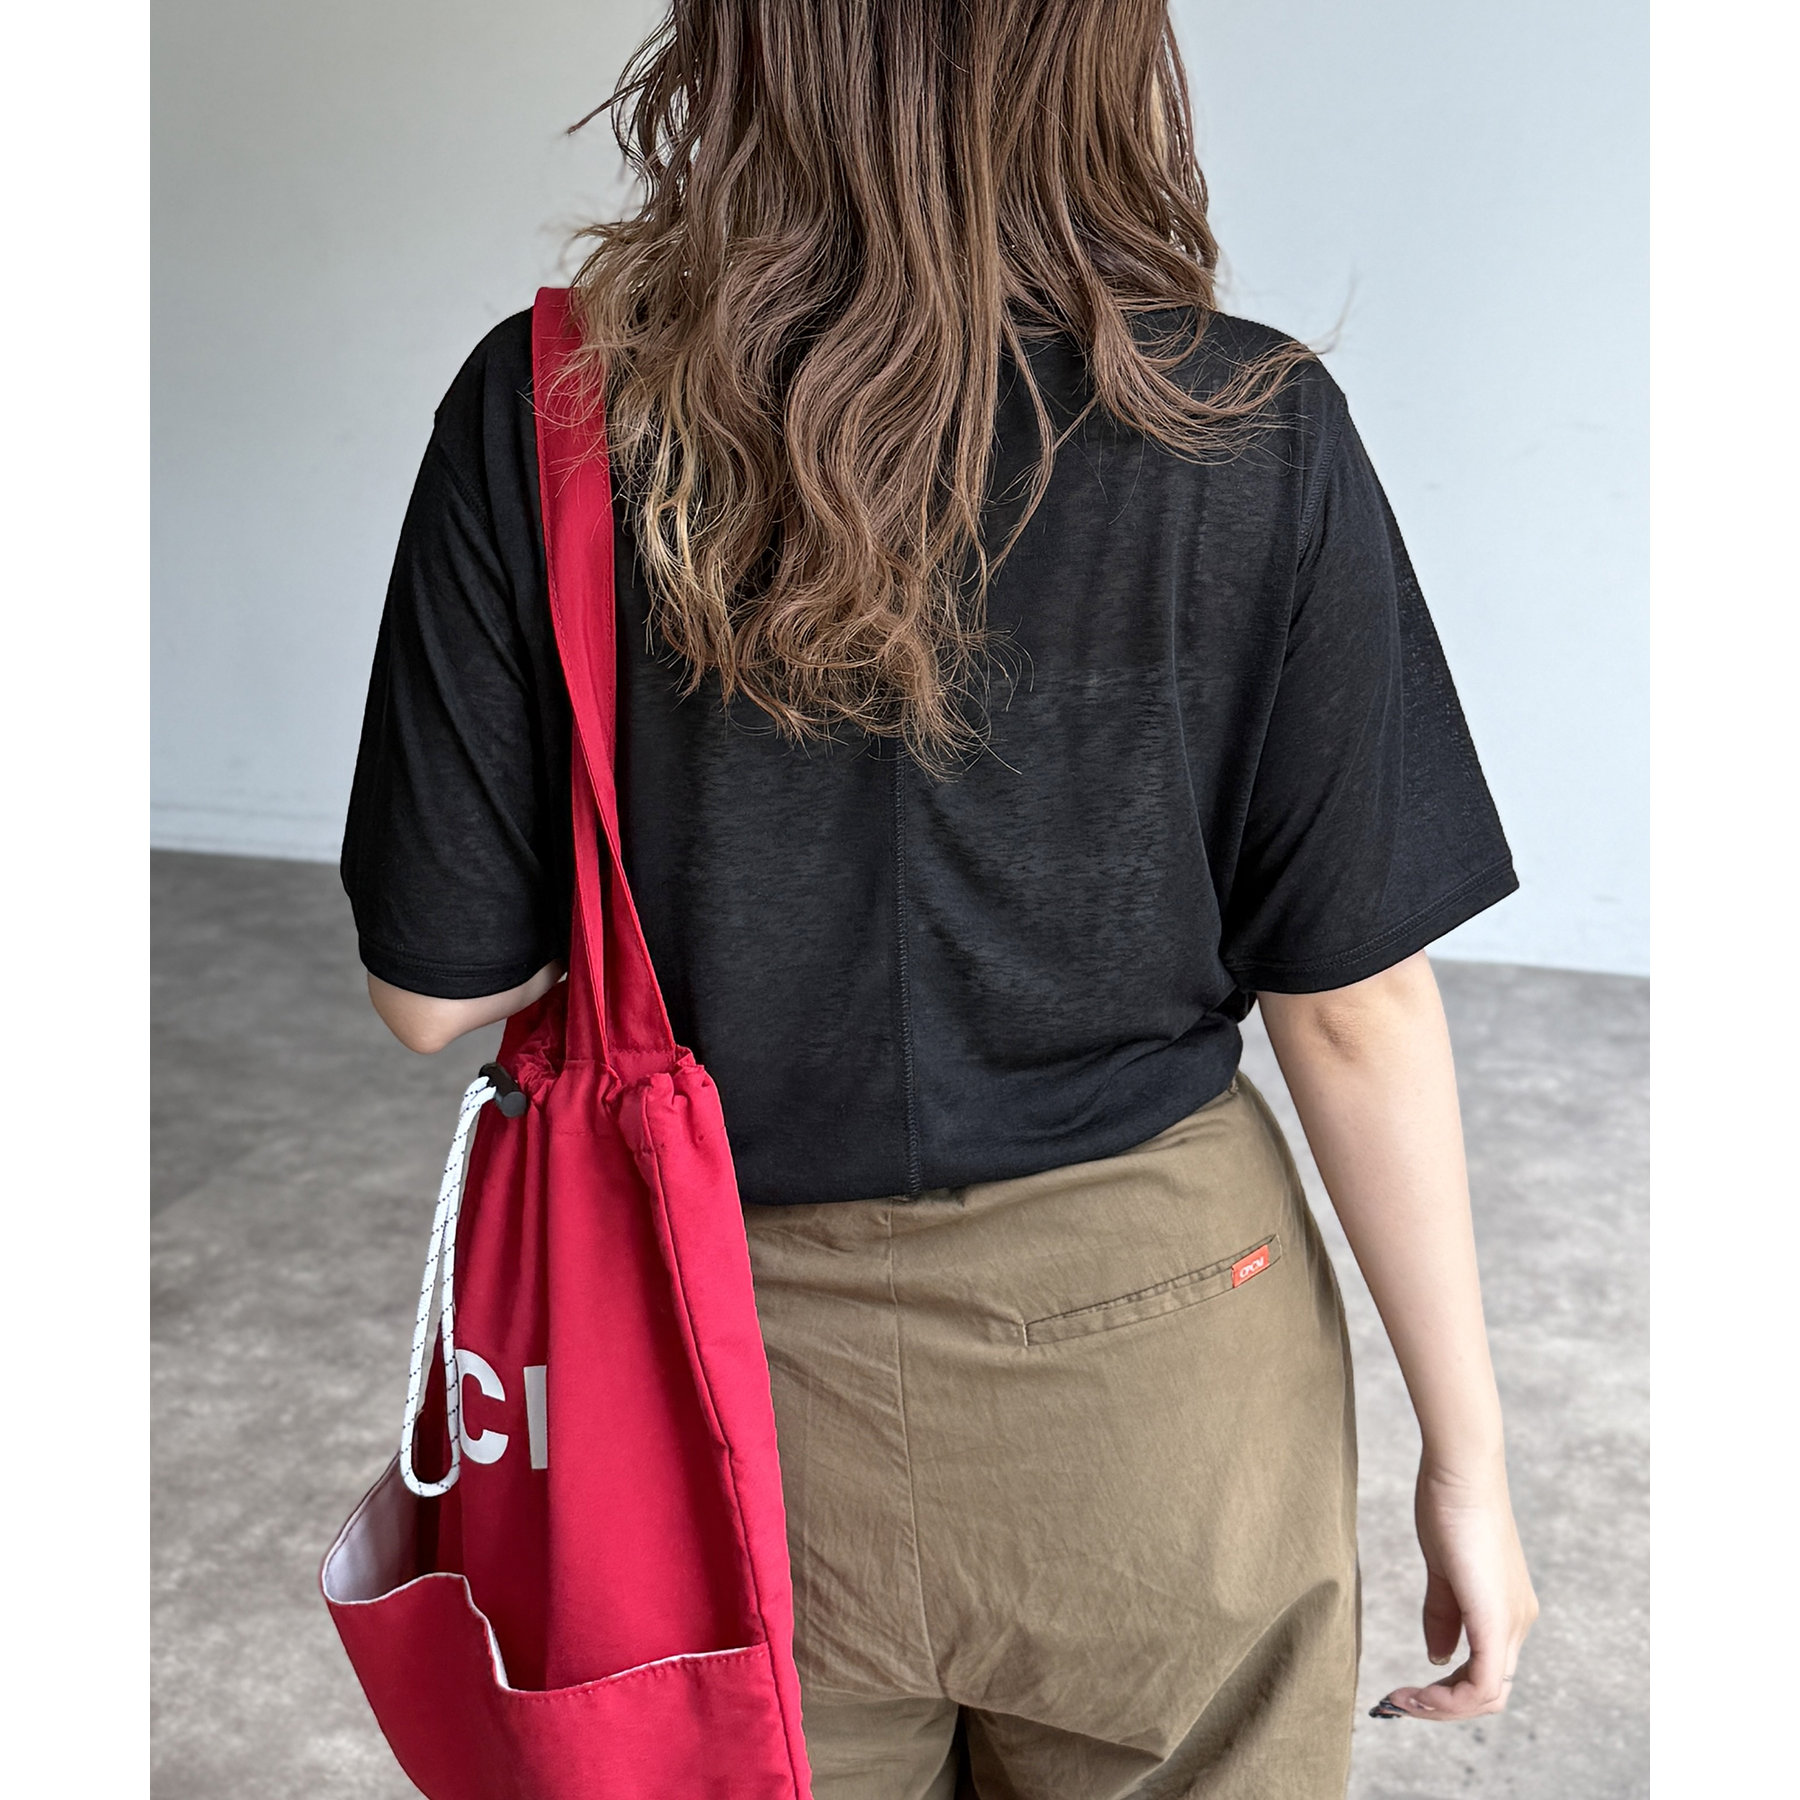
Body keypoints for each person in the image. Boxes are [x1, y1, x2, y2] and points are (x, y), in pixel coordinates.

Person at [340, 4, 1538, 1795]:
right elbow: (1354, 1007)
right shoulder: (1251, 422)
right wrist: (1469, 1460)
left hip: (701, 1384)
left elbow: (435, 990)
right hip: (1160, 1370)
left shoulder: (549, 409)